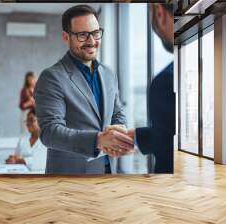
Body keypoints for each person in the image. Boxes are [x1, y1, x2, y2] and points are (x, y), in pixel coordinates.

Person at [34, 5, 134, 174]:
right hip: (70, 175)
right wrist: (98, 140)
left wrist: (119, 136)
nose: (92, 41)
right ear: (66, 37)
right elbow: (50, 132)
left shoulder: (108, 74)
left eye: (95, 33)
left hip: (109, 170)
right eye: (82, 35)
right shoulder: (52, 77)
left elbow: (117, 113)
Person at [108, 3, 175, 173]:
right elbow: (173, 134)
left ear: (159, 12)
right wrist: (134, 137)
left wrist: (135, 138)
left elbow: (166, 145)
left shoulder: (166, 80)